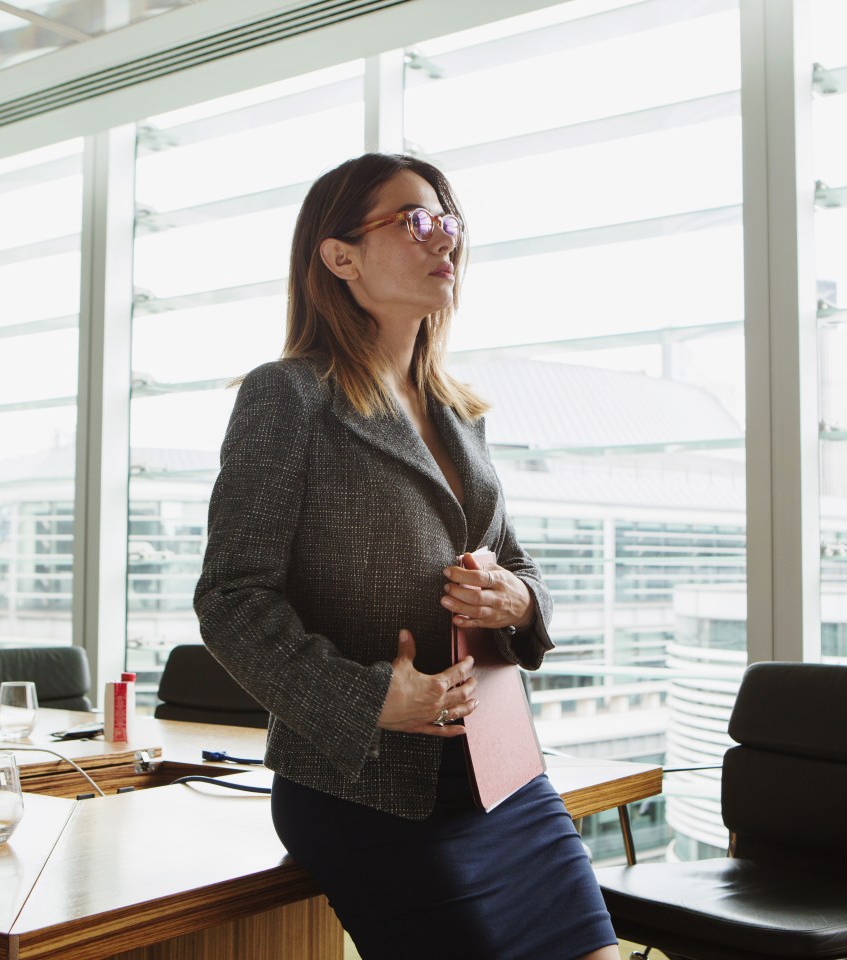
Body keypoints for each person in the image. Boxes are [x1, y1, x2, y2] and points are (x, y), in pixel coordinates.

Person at [193, 153, 619, 960]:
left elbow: (517, 566)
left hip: (503, 778)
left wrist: (518, 604)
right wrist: (370, 701)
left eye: (450, 222)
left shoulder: (460, 412)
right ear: (340, 256)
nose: (444, 240)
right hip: (371, 792)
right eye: (416, 220)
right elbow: (231, 599)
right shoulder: (288, 397)